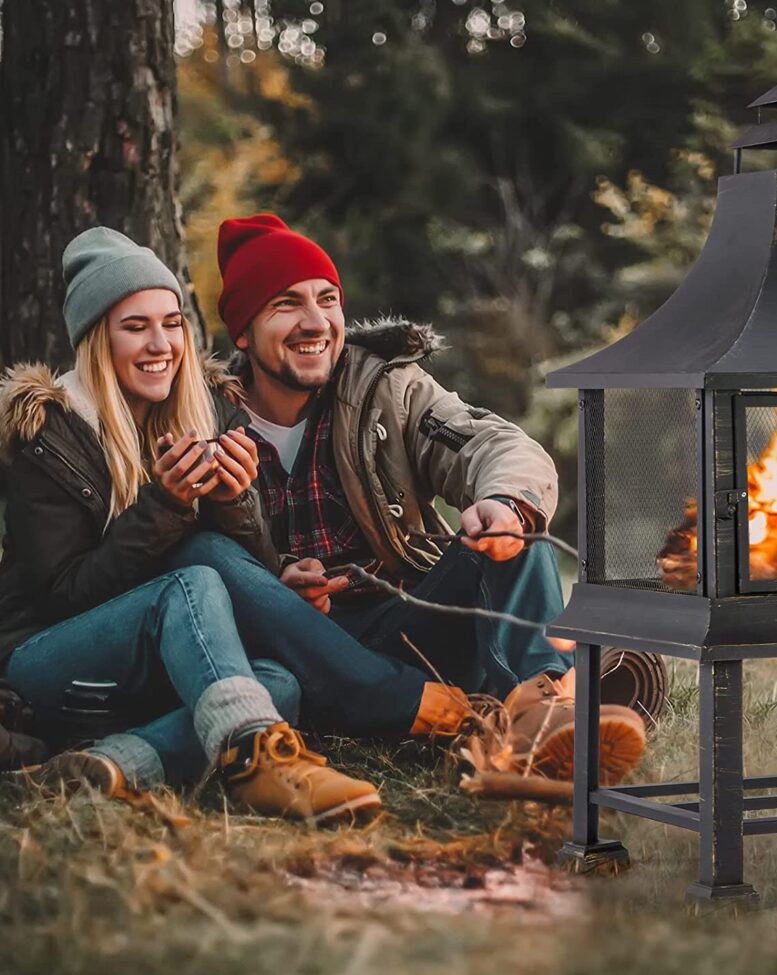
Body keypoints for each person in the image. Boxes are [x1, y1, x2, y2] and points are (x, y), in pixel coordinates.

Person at [164, 213, 646, 785]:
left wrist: (506, 502)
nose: (316, 321)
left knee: (513, 527)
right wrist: (278, 582)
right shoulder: (197, 419)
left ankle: (540, 716)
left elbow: (491, 443)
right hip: (294, 650)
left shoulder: (385, 388)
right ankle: (449, 713)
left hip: (404, 618)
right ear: (243, 330)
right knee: (206, 560)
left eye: (328, 299)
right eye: (286, 305)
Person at [0, 227, 380, 822]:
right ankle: (260, 763)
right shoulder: (49, 437)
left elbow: (248, 568)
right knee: (192, 578)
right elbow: (61, 597)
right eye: (136, 326)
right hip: (47, 661)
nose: (163, 344)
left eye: (172, 322)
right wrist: (166, 505)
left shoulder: (209, 410)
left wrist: (234, 500)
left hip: (150, 670)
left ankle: (111, 766)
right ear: (97, 339)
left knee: (277, 682)